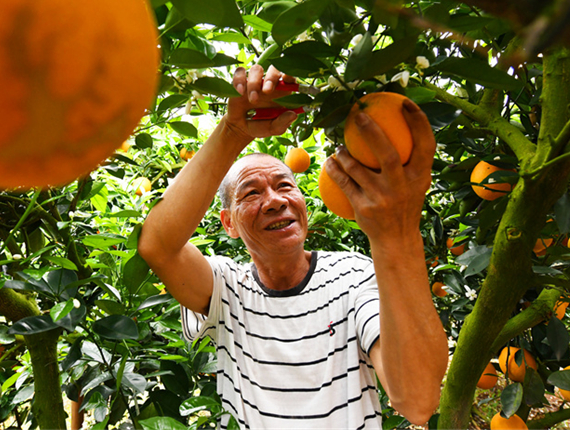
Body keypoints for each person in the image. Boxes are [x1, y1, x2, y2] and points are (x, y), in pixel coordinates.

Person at [138, 65, 449, 429]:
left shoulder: (353, 276)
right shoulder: (226, 290)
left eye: (285, 186)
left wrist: (396, 236)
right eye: (251, 192)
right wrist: (234, 130)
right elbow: (158, 246)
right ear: (229, 224)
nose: (274, 201)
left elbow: (417, 399)